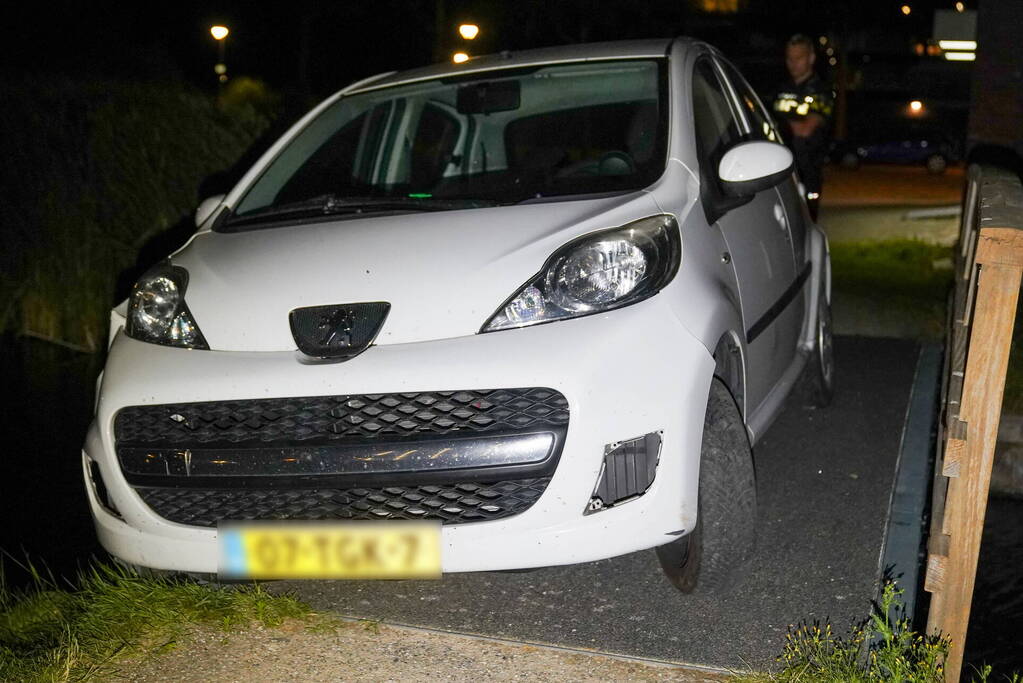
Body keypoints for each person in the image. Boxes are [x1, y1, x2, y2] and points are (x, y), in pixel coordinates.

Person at [771, 34, 833, 221]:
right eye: (790, 58)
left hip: (807, 172)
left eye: (799, 58)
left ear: (811, 58)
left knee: (805, 222)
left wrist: (781, 123)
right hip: (779, 169)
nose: (793, 63)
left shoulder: (821, 91)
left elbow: (805, 129)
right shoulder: (781, 88)